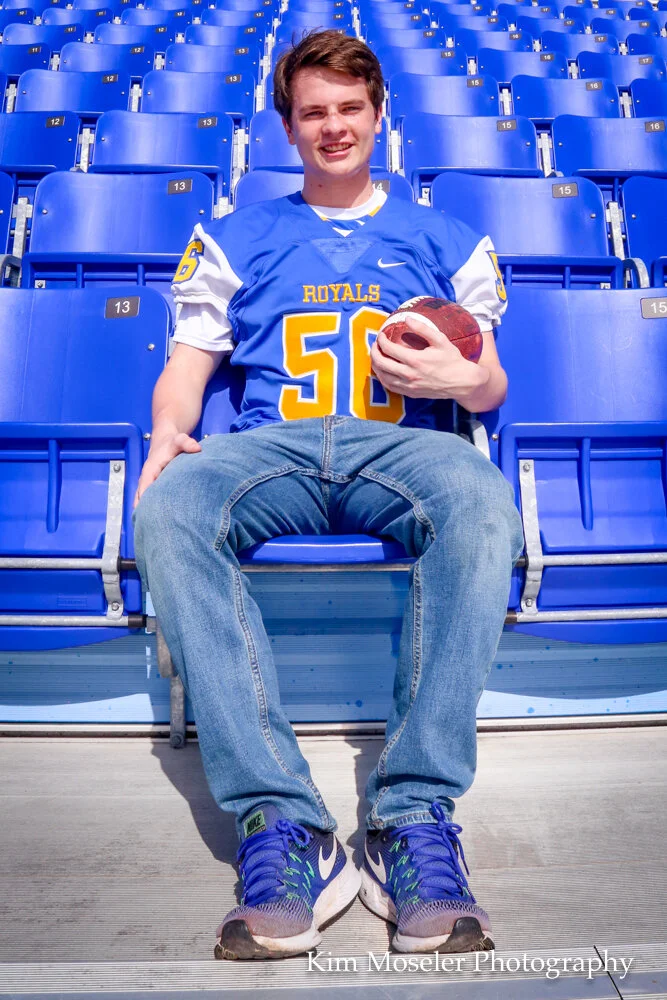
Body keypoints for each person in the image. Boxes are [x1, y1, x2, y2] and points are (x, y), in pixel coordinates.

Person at [133, 30, 524, 961]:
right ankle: (282, 820)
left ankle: (411, 813)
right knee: (171, 507)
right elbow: (187, 364)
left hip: (401, 449)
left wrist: (463, 381)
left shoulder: (445, 238)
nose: (334, 126)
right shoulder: (233, 236)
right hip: (274, 447)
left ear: (379, 115)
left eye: (350, 109)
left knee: (480, 504)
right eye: (314, 112)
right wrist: (166, 435)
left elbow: (491, 387)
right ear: (287, 126)